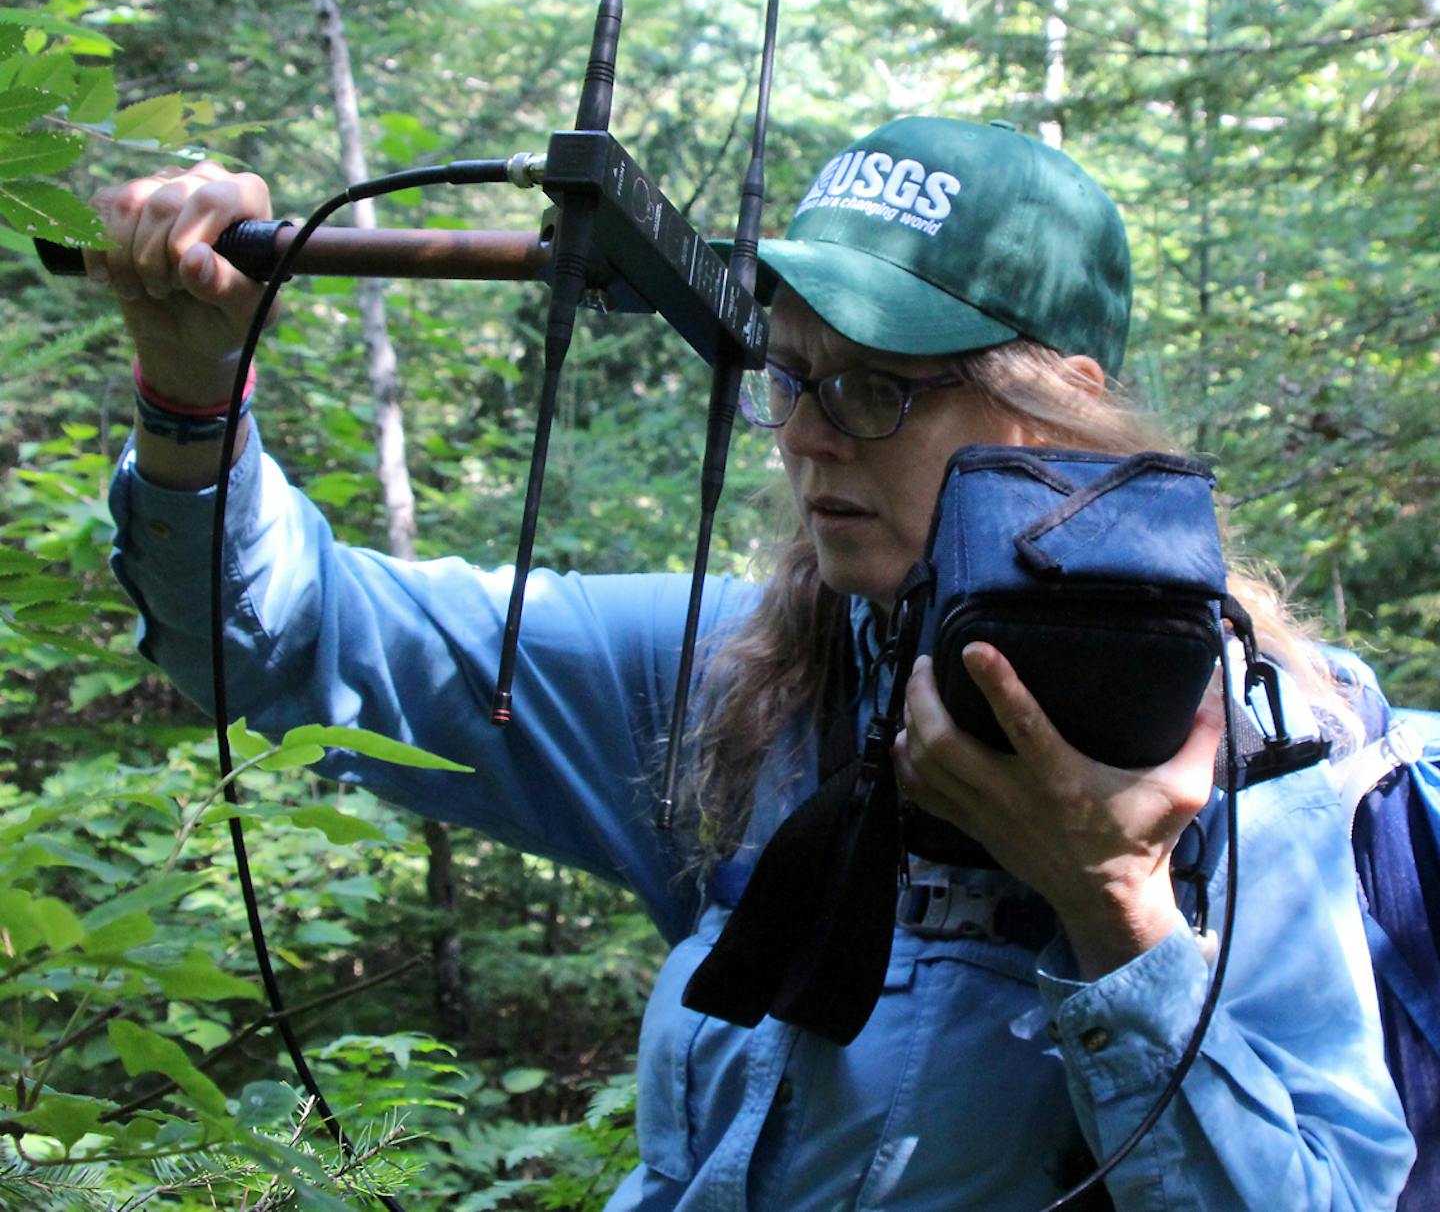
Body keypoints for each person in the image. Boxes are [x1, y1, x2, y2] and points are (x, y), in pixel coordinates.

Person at [94, 117, 1416, 1209]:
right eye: (790, 376)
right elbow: (304, 641)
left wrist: (1115, 902)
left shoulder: (1243, 748)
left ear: (1051, 404)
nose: (807, 439)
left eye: (874, 389)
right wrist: (192, 393)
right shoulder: (746, 675)